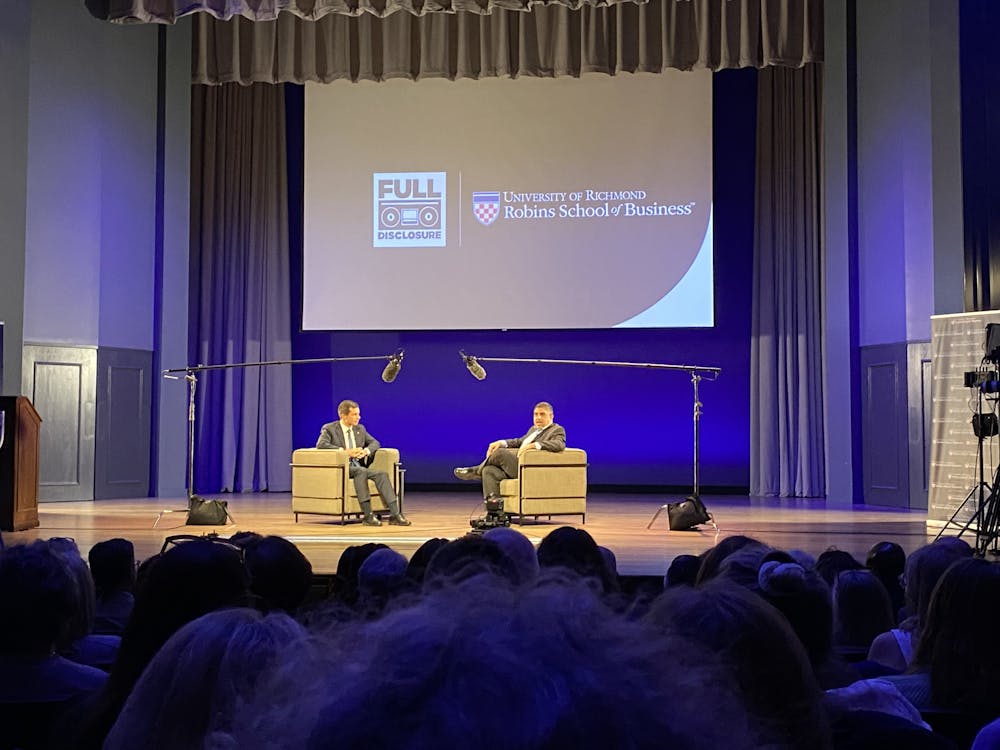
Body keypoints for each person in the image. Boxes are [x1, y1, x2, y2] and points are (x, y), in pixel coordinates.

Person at [316, 399, 410, 527]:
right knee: (361, 472)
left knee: (381, 474)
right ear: (343, 415)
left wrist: (365, 451)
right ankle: (368, 515)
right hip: (342, 468)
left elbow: (375, 443)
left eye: (358, 414)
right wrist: (346, 452)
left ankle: (395, 514)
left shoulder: (360, 429)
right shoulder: (330, 429)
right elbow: (321, 445)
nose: (358, 417)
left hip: (359, 466)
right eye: (354, 414)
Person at [453, 401, 566, 500]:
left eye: (542, 414)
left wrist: (534, 445)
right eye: (535, 414)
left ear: (551, 416)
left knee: (501, 453)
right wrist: (501, 443)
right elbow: (518, 442)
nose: (538, 417)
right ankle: (494, 512)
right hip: (517, 466)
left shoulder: (557, 430)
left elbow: (559, 444)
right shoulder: (533, 430)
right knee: (489, 470)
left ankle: (475, 471)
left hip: (529, 470)